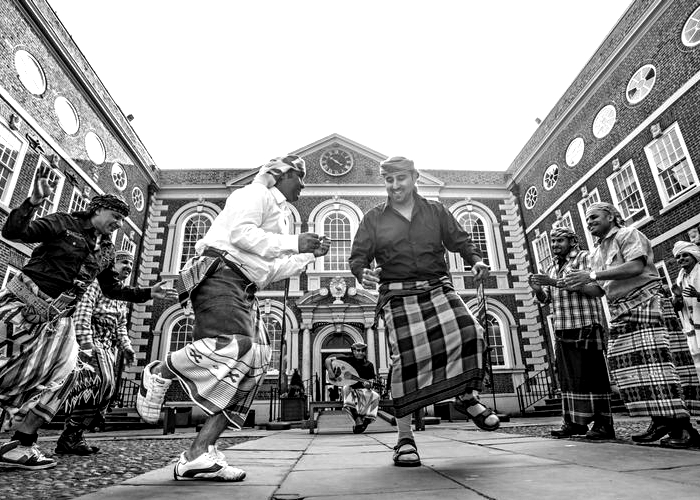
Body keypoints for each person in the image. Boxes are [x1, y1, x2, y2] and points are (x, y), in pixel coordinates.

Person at [136, 156, 331, 482]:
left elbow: (268, 271)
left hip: (245, 286)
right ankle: (159, 371)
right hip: (220, 275)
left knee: (254, 364)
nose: (303, 185)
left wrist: (308, 255)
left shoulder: (279, 215)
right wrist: (295, 242)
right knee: (235, 346)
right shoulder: (255, 194)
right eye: (301, 177)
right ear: (285, 174)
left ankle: (198, 454)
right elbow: (241, 235)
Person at [0, 165, 175, 470]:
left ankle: (21, 445)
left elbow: (112, 289)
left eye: (123, 220)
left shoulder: (107, 251)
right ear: (99, 210)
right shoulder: (62, 223)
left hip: (57, 322)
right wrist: (32, 202)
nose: (119, 224)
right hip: (21, 307)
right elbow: (14, 232)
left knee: (66, 376)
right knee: (5, 369)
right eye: (116, 217)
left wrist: (149, 293)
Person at [349, 156, 497, 468]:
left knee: (471, 332)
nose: (394, 185)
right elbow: (358, 256)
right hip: (398, 294)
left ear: (415, 177)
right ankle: (404, 438)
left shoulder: (435, 210)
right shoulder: (374, 218)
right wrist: (362, 272)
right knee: (404, 359)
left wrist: (476, 260)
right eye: (388, 180)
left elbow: (460, 240)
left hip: (437, 286)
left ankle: (466, 397)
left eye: (400, 178)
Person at [564, 202, 700, 448]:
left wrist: (592, 275)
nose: (589, 222)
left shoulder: (628, 234)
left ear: (611, 216)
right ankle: (660, 420)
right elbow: (598, 291)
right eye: (587, 220)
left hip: (646, 302)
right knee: (629, 369)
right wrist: (568, 283)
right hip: (621, 311)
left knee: (657, 368)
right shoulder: (596, 253)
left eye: (594, 217)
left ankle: (682, 428)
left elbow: (636, 266)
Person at [528, 225, 614, 440]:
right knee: (569, 379)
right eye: (553, 241)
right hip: (562, 328)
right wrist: (538, 289)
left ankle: (603, 424)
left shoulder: (585, 258)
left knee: (592, 377)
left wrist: (553, 282)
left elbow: (597, 290)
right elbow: (546, 299)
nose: (555, 245)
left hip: (586, 325)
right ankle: (575, 423)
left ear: (572, 242)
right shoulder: (551, 267)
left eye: (560, 241)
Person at [55, 250, 138, 455]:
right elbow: (82, 315)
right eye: (124, 262)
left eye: (130, 263)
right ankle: (70, 436)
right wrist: (86, 346)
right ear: (112, 265)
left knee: (106, 392)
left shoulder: (120, 295)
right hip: (92, 344)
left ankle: (74, 435)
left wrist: (126, 347)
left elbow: (121, 326)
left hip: (108, 349)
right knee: (99, 385)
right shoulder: (96, 286)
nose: (128, 266)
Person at [325, 342, 379, 434]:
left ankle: (366, 421)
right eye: (358, 350)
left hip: (362, 391)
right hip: (350, 390)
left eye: (362, 351)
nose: (360, 353)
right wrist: (330, 371)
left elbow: (371, 382)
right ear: (353, 351)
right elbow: (328, 360)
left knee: (376, 396)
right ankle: (357, 417)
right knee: (346, 387)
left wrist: (368, 385)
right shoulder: (347, 360)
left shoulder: (369, 365)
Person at [671, 241, 700, 381]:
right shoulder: (680, 279)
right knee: (697, 363)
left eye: (685, 255)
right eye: (678, 257)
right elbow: (677, 308)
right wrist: (677, 299)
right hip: (691, 328)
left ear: (694, 255)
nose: (681, 258)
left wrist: (698, 295)